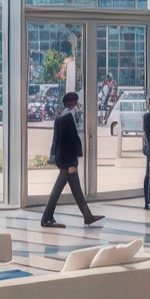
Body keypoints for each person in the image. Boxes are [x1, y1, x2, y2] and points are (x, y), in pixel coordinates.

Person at [41, 91, 103, 228]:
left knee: (76, 190)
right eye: (76, 101)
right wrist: (70, 163)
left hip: (64, 160)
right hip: (67, 161)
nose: (77, 104)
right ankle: (46, 218)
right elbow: (67, 142)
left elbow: (57, 141)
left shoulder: (61, 116)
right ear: (72, 102)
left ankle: (88, 216)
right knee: (58, 191)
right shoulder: (67, 117)